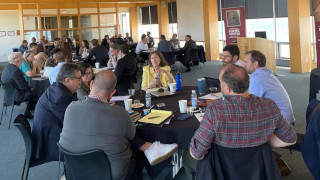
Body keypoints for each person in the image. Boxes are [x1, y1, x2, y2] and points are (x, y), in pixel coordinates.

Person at [59, 70, 178, 180]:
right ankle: (151, 151)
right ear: (113, 93)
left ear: (91, 84)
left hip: (74, 171)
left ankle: (151, 148)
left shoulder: (71, 107)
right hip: (111, 173)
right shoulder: (119, 112)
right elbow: (132, 135)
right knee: (132, 148)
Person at [183, 64, 297, 179]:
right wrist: (262, 142)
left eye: (220, 81)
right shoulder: (269, 105)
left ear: (227, 88)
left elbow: (197, 154)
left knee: (186, 157)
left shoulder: (215, 110)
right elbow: (290, 138)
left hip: (222, 172)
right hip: (259, 172)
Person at [32, 63, 80, 162]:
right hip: (50, 145)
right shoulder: (60, 97)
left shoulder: (57, 89)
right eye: (78, 78)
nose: (81, 81)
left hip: (47, 137)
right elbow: (73, 123)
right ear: (67, 80)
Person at [244, 50, 295, 124]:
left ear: (255, 64)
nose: (244, 65)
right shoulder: (266, 73)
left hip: (283, 124)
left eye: (246, 62)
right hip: (286, 120)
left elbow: (250, 105)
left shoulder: (257, 77)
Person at [1, 52, 38, 119]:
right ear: (17, 61)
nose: (23, 60)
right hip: (16, 96)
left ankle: (29, 112)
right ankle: (27, 113)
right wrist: (32, 88)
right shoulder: (16, 71)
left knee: (33, 91)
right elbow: (24, 87)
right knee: (37, 93)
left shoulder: (7, 68)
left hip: (8, 96)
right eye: (22, 59)